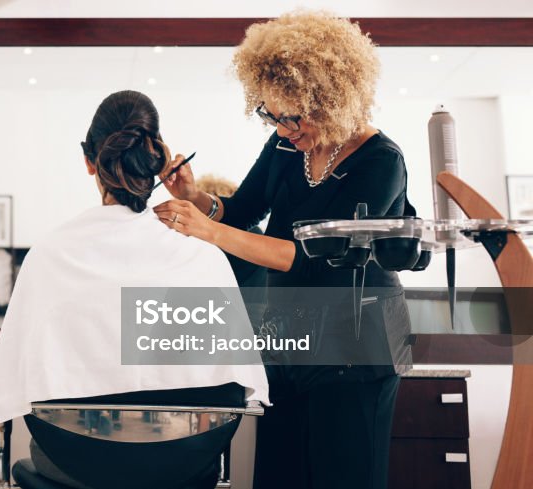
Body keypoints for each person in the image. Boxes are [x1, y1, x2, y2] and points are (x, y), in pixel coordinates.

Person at [153, 10, 413, 489]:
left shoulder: (381, 162)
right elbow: (243, 209)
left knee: (344, 476)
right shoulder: (287, 148)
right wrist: (193, 198)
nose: (280, 128)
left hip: (359, 344)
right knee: (280, 474)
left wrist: (208, 233)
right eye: (270, 114)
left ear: (331, 98)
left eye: (291, 116)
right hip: (293, 339)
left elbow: (309, 254)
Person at [0, 90, 269, 489]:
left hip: (75, 456)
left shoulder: (50, 253)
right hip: (185, 458)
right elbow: (236, 384)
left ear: (88, 162)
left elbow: (15, 377)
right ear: (158, 160)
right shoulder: (202, 252)